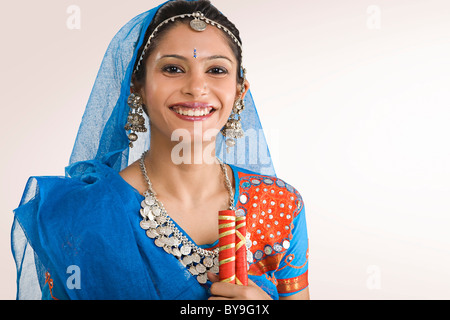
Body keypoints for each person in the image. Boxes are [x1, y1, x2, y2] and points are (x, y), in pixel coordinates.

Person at [11, 0, 309, 300]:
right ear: (136, 85)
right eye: (173, 68)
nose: (196, 87)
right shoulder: (81, 215)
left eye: (216, 69)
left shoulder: (280, 206)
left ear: (240, 90)